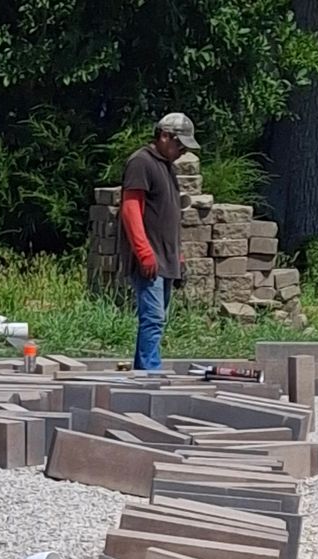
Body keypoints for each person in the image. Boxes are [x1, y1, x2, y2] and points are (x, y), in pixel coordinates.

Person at [121, 112, 194, 373]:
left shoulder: (166, 167)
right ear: (164, 136)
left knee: (157, 320)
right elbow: (131, 209)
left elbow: (168, 215)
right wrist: (143, 251)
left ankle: (144, 374)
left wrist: (179, 256)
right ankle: (151, 376)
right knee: (153, 319)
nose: (183, 151)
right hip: (151, 259)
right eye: (180, 144)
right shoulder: (141, 162)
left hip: (166, 257)